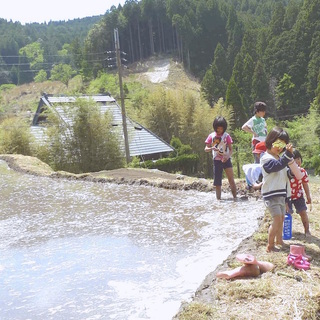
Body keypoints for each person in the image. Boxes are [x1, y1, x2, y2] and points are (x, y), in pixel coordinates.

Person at [260, 127, 304, 253]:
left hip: (280, 194)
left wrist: (293, 172)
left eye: (282, 145)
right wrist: (288, 156)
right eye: (277, 143)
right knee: (277, 219)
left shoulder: (279, 158)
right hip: (271, 195)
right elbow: (275, 167)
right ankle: (270, 245)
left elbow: (285, 174)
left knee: (281, 219)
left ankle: (279, 241)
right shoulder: (266, 158)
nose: (279, 147)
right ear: (270, 141)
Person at [205, 116, 237, 200]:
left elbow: (230, 150)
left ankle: (235, 197)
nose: (219, 130)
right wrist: (212, 148)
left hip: (226, 160)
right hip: (217, 161)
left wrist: (228, 156)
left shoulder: (227, 136)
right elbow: (206, 149)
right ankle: (218, 200)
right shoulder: (211, 136)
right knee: (217, 183)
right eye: (218, 128)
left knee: (231, 179)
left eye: (221, 128)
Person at [288, 149, 312, 237]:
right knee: (287, 214)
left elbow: (305, 184)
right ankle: (286, 231)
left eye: (299, 158)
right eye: (294, 159)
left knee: (303, 212)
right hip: (287, 197)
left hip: (298, 196)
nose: (297, 161)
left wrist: (308, 196)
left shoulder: (302, 171)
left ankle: (307, 230)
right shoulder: (286, 172)